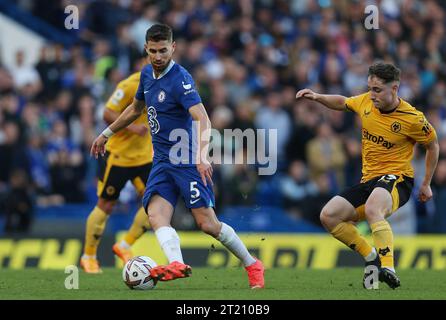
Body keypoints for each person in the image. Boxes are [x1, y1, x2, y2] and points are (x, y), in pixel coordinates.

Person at [90, 24, 264, 288]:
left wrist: (202, 155)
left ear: (173, 48)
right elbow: (135, 109)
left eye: (163, 50)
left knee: (208, 224)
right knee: (156, 215)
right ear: (146, 49)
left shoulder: (181, 79)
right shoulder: (146, 74)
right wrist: (107, 133)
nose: (158, 56)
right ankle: (177, 263)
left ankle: (252, 264)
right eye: (153, 51)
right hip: (161, 161)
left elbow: (202, 117)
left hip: (186, 160)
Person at [296, 62, 439, 289]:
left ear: (395, 88)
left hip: (398, 179)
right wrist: (317, 96)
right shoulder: (365, 101)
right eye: (370, 88)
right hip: (369, 180)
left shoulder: (413, 118)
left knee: (374, 208)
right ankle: (371, 256)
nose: (372, 95)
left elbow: (433, 146)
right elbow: (343, 102)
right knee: (329, 216)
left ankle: (388, 267)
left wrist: (427, 183)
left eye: (377, 90)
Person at [80, 52, 153, 274]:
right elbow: (107, 113)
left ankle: (124, 245)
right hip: (118, 156)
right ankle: (89, 256)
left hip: (144, 157)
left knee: (157, 205)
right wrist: (131, 127)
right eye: (151, 58)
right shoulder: (129, 85)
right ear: (142, 61)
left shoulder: (162, 86)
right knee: (106, 205)